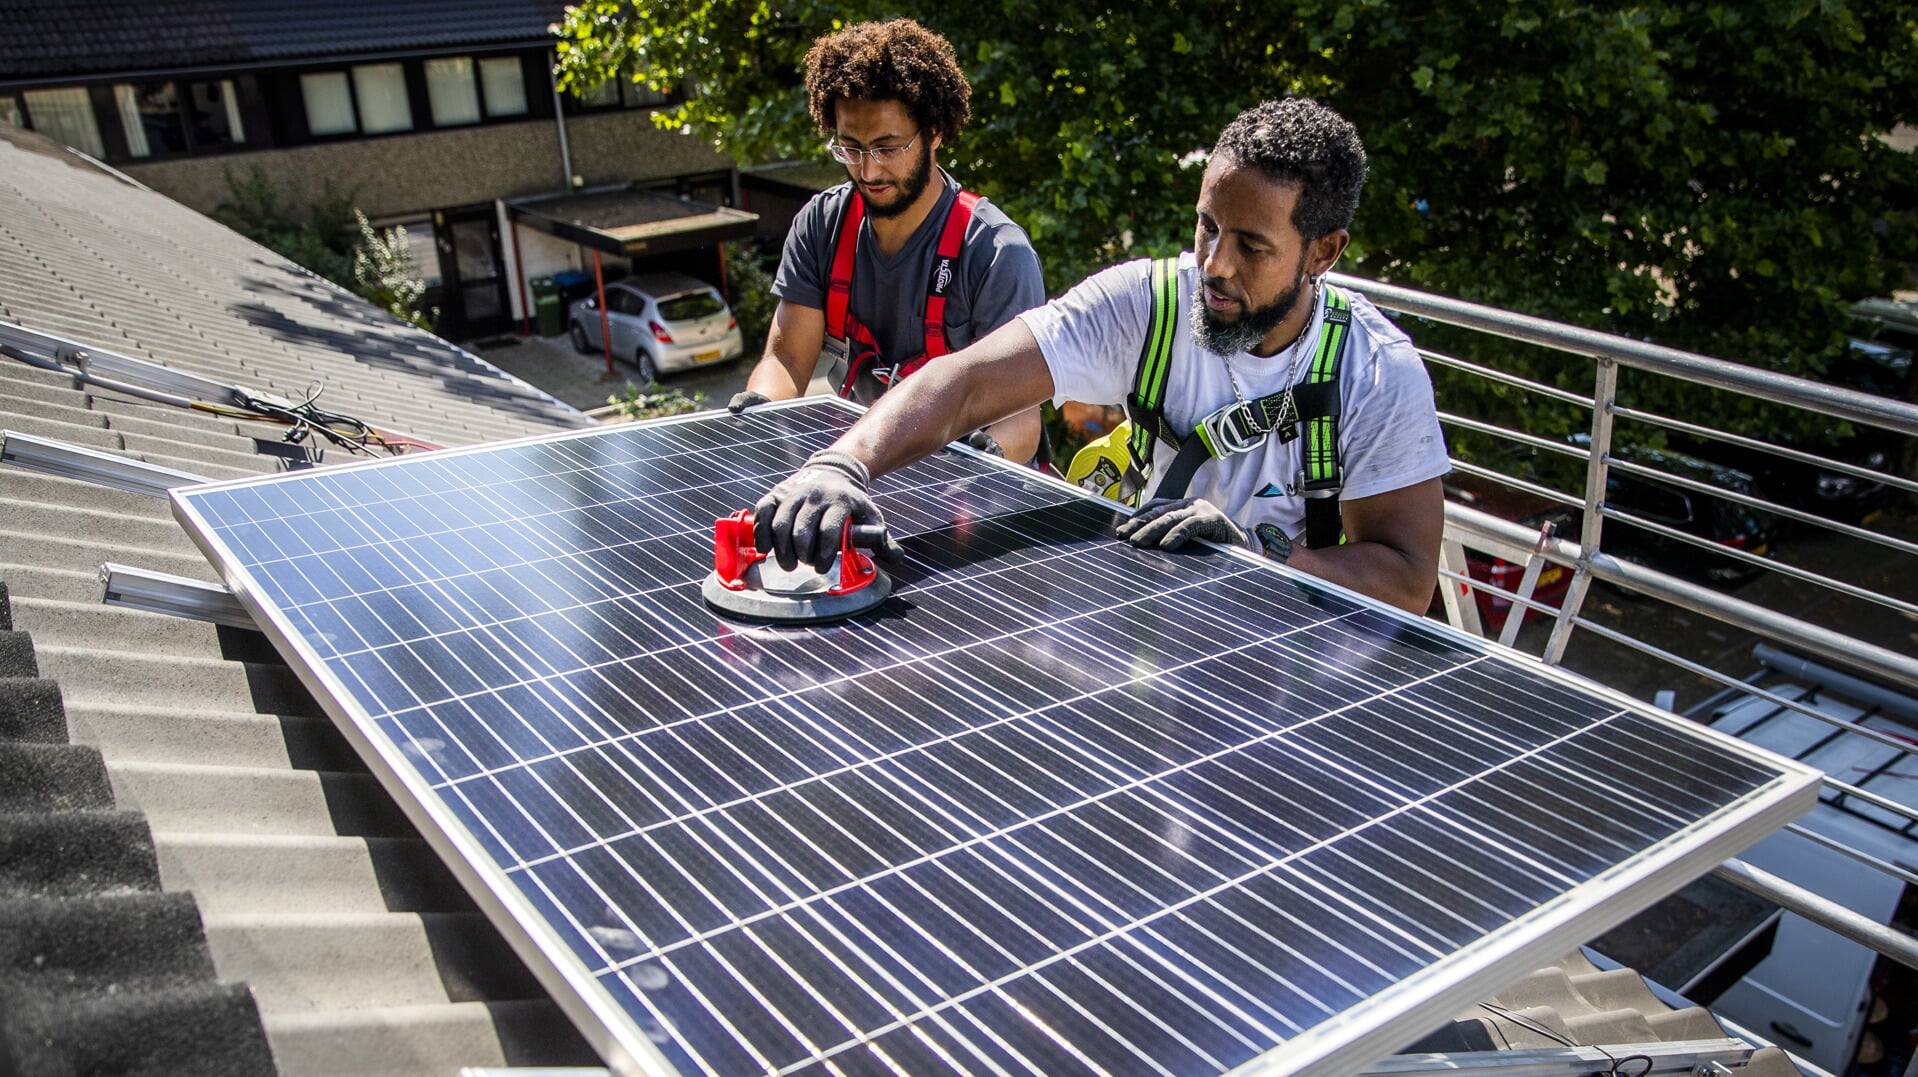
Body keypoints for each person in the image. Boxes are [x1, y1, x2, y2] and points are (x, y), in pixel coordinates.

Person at [750, 97, 1450, 614]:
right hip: (1150, 624)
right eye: (1207, 226)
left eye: (1252, 246)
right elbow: (965, 382)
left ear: (1324, 251)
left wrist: (1260, 558)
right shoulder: (1150, 305)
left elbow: (1409, 577)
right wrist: (843, 463)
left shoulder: (1374, 373)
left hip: (1292, 652)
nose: (1214, 263)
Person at [727, 18, 1049, 464]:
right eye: (851, 148)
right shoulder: (821, 227)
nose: (869, 171)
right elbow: (786, 362)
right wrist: (760, 408)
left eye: (888, 147)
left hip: (970, 490)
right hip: (864, 467)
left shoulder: (996, 253)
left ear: (934, 132)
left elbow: (1019, 419)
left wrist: (983, 463)